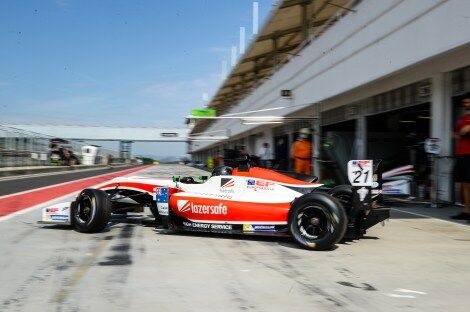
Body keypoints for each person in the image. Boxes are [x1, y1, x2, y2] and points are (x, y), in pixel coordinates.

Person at [451, 95, 470, 220]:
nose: (465, 103)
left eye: (468, 101)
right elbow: (455, 133)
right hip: (461, 154)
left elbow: (464, 131)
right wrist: (461, 133)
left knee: (469, 183)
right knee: (463, 184)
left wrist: (462, 132)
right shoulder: (462, 118)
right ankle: (466, 211)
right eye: (465, 102)